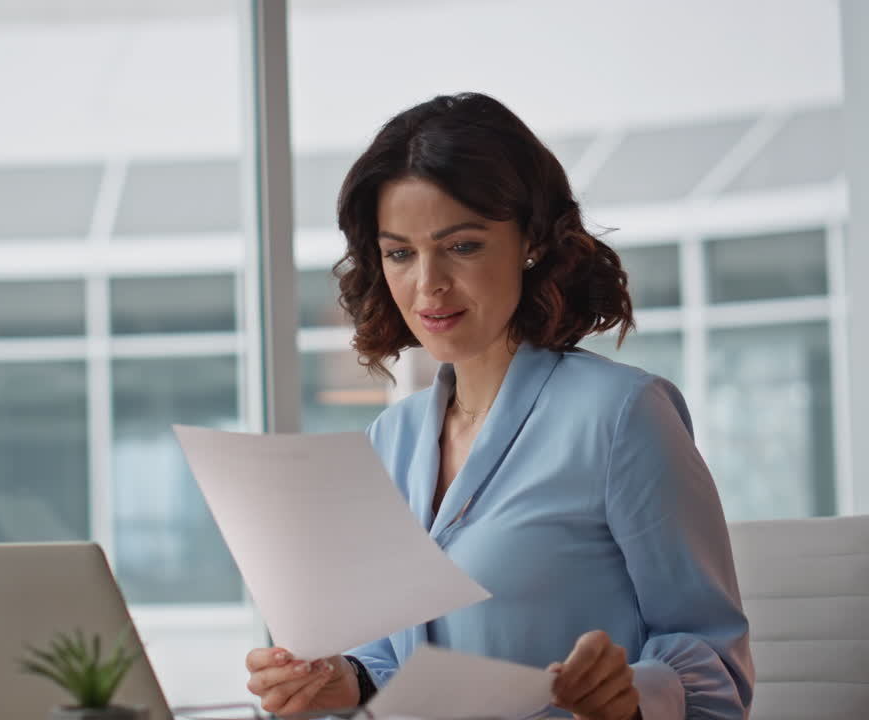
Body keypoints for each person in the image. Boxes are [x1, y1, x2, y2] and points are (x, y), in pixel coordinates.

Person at [243, 93, 753, 720]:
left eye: (461, 246)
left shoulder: (623, 416)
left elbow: (717, 665)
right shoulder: (392, 438)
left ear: (531, 241)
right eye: (400, 252)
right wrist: (342, 679)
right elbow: (396, 660)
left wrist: (633, 694)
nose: (428, 283)